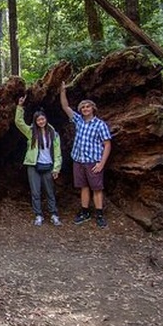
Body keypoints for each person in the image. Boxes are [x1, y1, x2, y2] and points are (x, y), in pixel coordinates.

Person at [59, 82, 112, 228]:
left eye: (87, 106)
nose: (85, 109)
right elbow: (65, 107)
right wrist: (62, 91)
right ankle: (85, 212)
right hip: (78, 160)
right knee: (83, 187)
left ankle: (99, 215)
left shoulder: (100, 125)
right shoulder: (79, 121)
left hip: (93, 162)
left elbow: (107, 144)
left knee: (97, 188)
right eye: (83, 107)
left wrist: (101, 163)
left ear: (93, 108)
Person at [15, 97, 62, 226]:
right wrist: (20, 107)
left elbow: (58, 152)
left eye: (42, 119)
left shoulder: (53, 134)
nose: (41, 121)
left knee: (50, 191)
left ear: (46, 119)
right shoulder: (31, 132)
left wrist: (56, 168)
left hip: (48, 165)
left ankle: (53, 214)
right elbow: (19, 123)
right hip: (33, 165)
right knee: (35, 191)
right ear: (35, 121)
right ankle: (38, 215)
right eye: (38, 120)